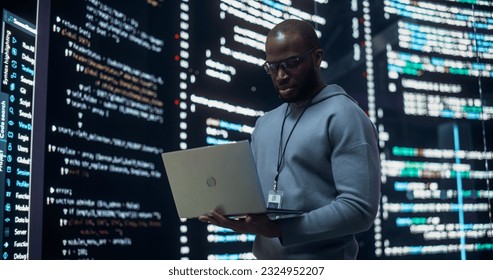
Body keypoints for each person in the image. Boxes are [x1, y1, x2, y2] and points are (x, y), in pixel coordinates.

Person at [199, 19, 381, 259]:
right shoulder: (264, 123)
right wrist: (235, 212)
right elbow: (254, 197)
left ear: (316, 58)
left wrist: (279, 229)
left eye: (291, 63)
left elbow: (359, 211)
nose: (281, 75)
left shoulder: (346, 115)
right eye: (272, 67)